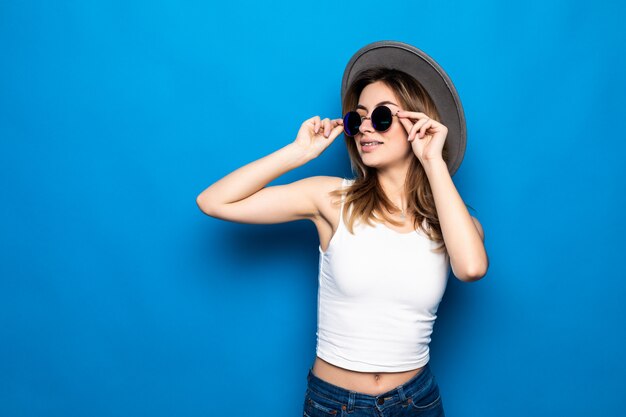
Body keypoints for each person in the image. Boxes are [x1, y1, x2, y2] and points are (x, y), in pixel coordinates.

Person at [196, 41, 488, 416]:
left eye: (381, 117)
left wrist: (432, 161)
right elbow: (214, 201)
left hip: (416, 401)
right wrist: (298, 153)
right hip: (336, 405)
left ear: (418, 122)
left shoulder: (452, 221)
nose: (365, 127)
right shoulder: (332, 198)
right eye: (357, 118)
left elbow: (472, 268)